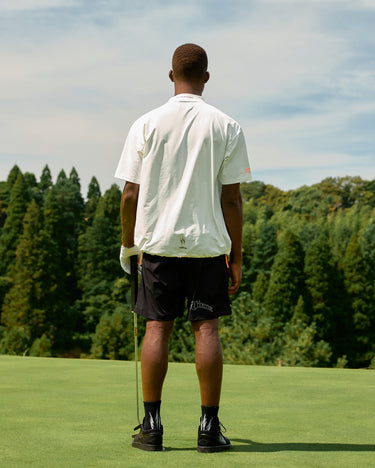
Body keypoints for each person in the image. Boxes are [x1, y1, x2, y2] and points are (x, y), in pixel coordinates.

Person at [115, 43, 251, 453]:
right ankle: (209, 429)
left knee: (158, 328)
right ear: (206, 77)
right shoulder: (227, 126)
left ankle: (151, 427)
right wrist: (238, 257)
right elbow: (232, 200)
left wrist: (128, 245)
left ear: (171, 76)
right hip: (208, 247)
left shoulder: (146, 124)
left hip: (157, 246)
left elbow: (129, 195)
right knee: (206, 329)